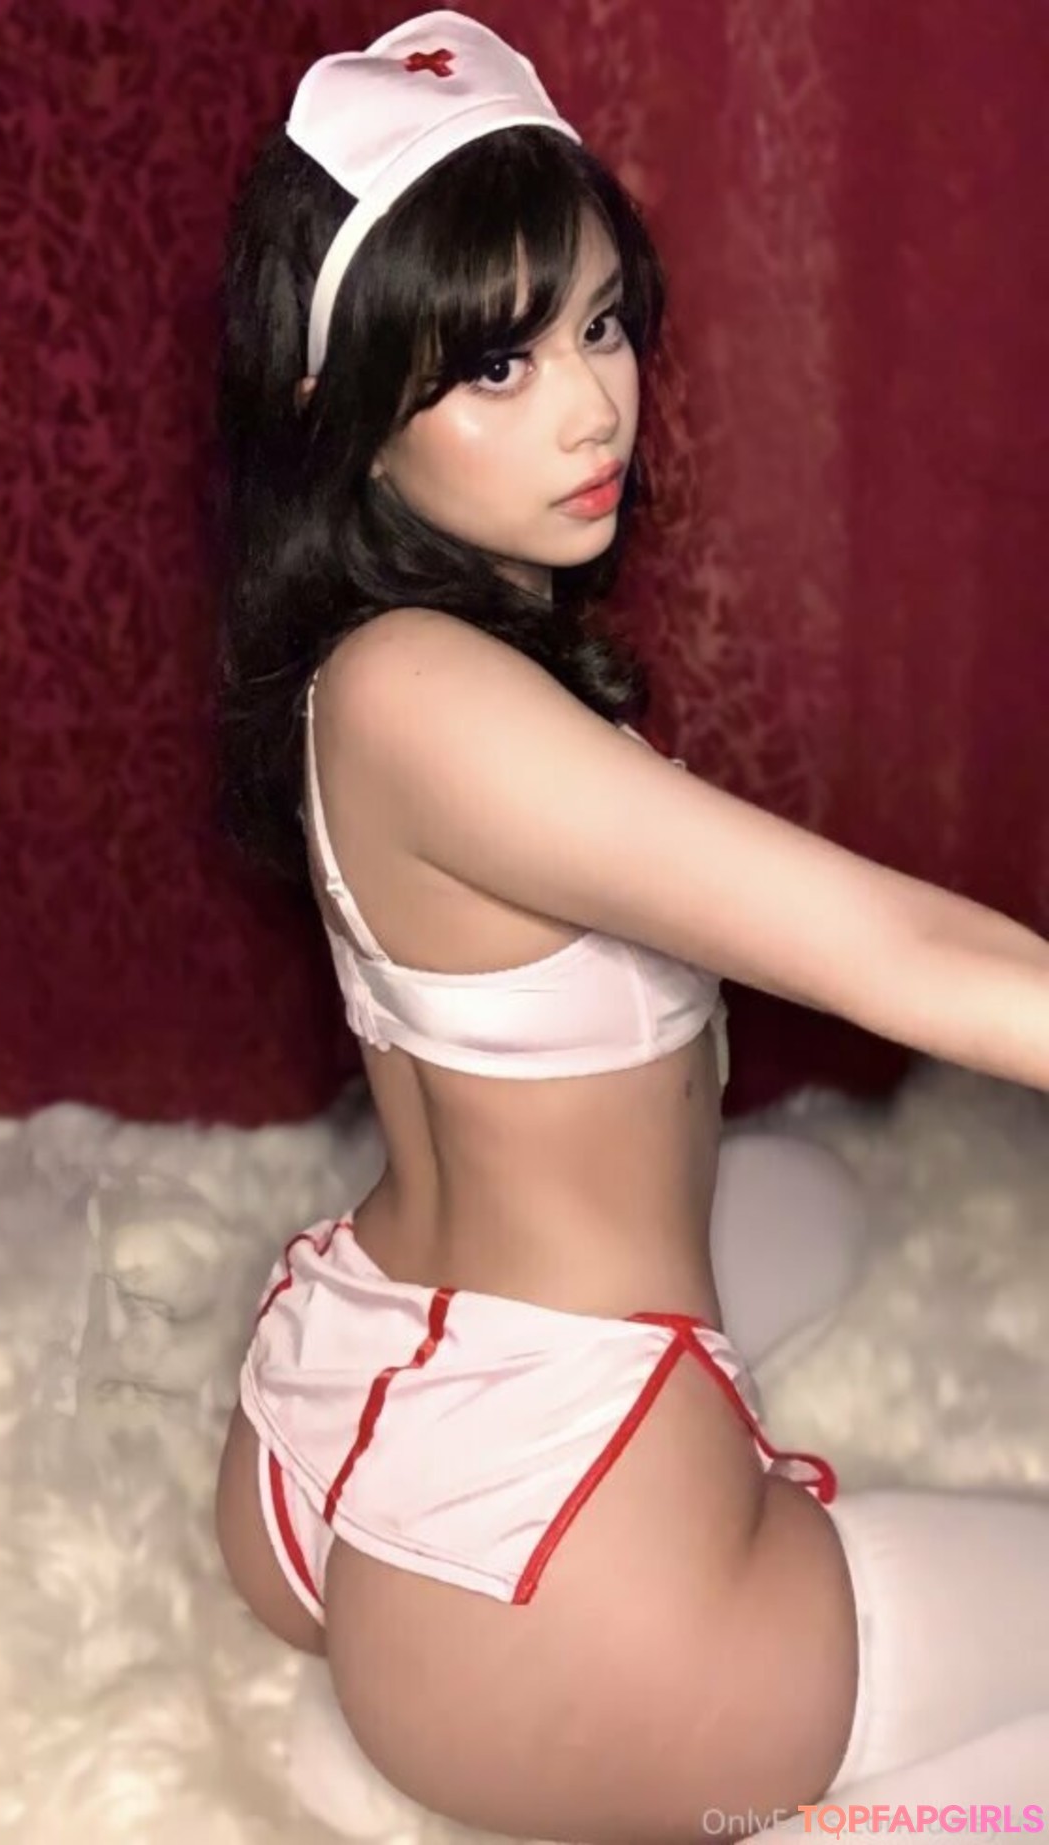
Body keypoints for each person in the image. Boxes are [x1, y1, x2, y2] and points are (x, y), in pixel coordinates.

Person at [212, 12, 1049, 1841]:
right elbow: (897, 953)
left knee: (816, 1200)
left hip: (346, 1411)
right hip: (546, 1610)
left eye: (600, 326)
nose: (592, 407)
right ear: (340, 409)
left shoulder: (377, 658)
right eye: (495, 366)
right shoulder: (431, 694)